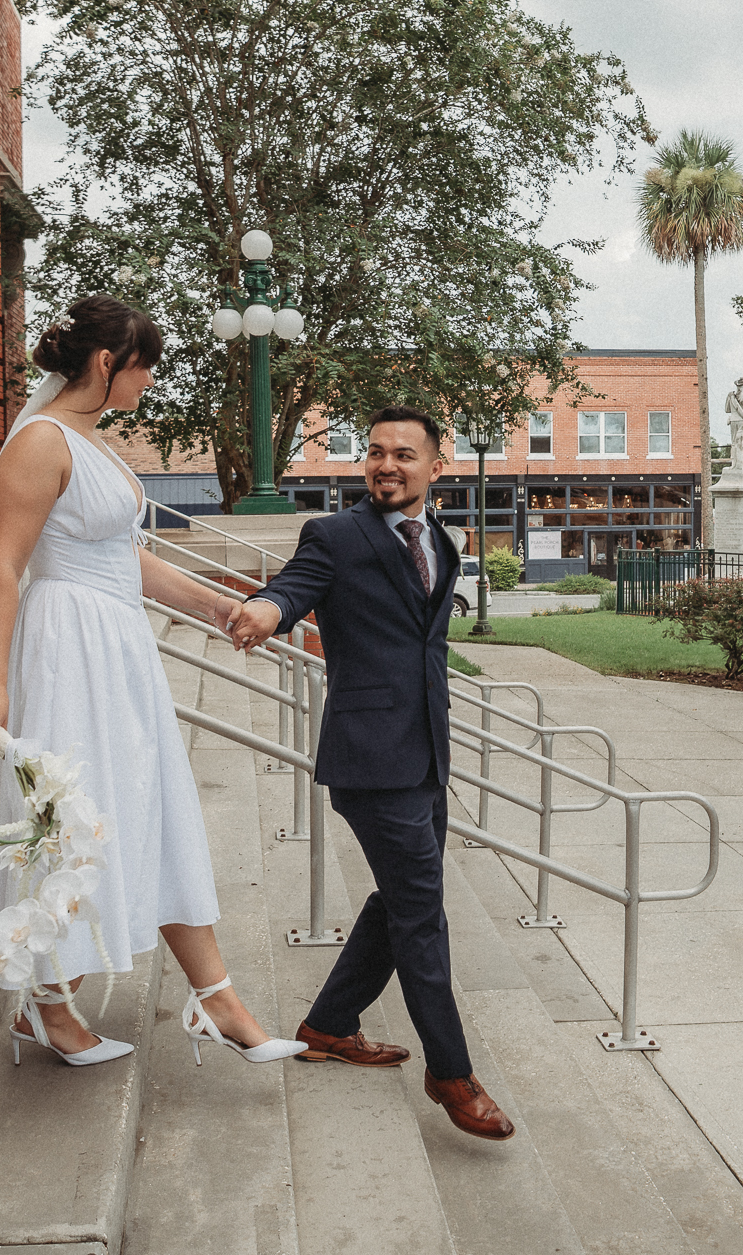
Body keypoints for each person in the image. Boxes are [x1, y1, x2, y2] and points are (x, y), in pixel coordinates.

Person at [0, 295, 304, 1069]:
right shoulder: (41, 442)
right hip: (67, 650)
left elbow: (125, 557)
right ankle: (49, 1003)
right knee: (82, 816)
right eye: (145, 368)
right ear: (109, 363)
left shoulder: (88, 439)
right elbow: (2, 566)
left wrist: (218, 604)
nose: (149, 384)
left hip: (116, 646)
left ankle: (216, 998)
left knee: (150, 807)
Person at [227, 405, 516, 1141]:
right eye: (375, 453)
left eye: (403, 454)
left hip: (425, 756)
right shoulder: (336, 535)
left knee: (399, 901)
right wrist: (266, 609)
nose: (386, 464)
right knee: (422, 912)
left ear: (434, 467)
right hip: (370, 760)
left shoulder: (440, 542)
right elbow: (293, 586)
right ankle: (451, 1073)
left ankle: (328, 1024)